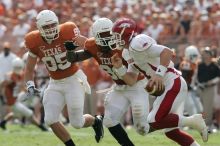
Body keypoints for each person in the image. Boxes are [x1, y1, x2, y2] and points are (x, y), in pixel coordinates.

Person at [110, 18, 208, 146]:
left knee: (154, 121)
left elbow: (166, 52)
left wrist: (158, 74)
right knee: (171, 132)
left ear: (126, 33)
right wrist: (119, 69)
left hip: (172, 81)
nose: (115, 39)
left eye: (117, 35)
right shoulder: (126, 52)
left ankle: (193, 120)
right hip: (167, 85)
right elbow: (132, 80)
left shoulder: (138, 42)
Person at [65, 17, 150, 146]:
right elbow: (74, 58)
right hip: (120, 87)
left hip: (137, 85)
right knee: (109, 120)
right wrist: (70, 49)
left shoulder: (123, 46)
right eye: (102, 35)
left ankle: (177, 121)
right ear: (96, 36)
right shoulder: (93, 45)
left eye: (109, 34)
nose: (106, 38)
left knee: (142, 129)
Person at [24, 10, 103, 146]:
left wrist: (77, 45)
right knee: (50, 119)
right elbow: (29, 68)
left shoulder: (67, 30)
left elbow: (90, 46)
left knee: (77, 123)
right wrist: (30, 85)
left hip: (73, 80)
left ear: (57, 23)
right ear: (39, 28)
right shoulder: (33, 40)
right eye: (46, 27)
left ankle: (96, 121)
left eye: (52, 25)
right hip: (54, 82)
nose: (50, 29)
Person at [0, 57, 47, 131]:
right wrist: (2, 97)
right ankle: (42, 128)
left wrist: (30, 91)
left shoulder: (20, 75)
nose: (18, 69)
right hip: (12, 102)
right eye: (17, 67)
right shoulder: (10, 76)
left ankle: (2, 123)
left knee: (16, 114)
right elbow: (2, 85)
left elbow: (21, 87)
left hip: (16, 99)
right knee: (30, 113)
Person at [179, 45, 203, 115]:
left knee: (200, 108)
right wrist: (190, 86)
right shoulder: (186, 64)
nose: (196, 57)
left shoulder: (194, 64)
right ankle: (191, 124)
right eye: (194, 55)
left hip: (192, 89)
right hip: (186, 90)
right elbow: (184, 78)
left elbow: (194, 78)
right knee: (191, 107)